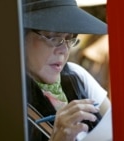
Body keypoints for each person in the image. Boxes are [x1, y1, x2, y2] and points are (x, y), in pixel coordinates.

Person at [23, 0, 111, 141]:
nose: (63, 50)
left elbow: (119, 126)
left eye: (70, 38)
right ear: (20, 37)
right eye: (52, 38)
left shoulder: (76, 75)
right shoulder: (8, 99)